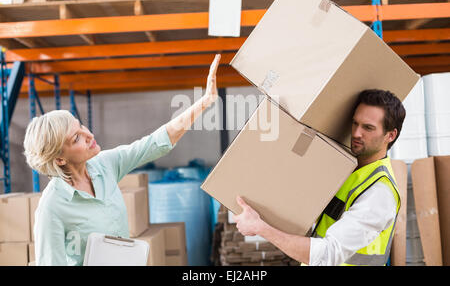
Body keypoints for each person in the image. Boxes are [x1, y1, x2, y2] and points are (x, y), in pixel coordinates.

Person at [23, 54, 222, 266]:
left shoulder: (104, 165)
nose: (89, 135)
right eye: (77, 138)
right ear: (60, 159)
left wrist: (204, 102)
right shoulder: (52, 206)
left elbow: (155, 143)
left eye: (80, 126)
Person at [234, 89, 404, 266]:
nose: (356, 134)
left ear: (390, 135)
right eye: (355, 123)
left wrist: (260, 227)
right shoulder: (347, 169)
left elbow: (328, 255)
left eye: (368, 128)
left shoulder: (380, 192)